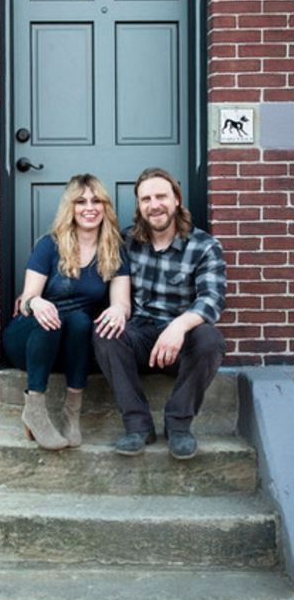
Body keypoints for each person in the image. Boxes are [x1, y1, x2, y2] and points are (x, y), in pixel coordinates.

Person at [92, 167, 226, 461]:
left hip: (181, 343)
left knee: (211, 340)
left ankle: (178, 425)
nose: (154, 205)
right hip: (139, 335)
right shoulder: (126, 242)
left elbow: (212, 300)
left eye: (161, 196)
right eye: (146, 199)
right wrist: (33, 295)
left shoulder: (204, 246)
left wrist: (178, 327)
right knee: (104, 331)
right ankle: (138, 427)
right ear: (139, 206)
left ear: (176, 199)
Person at [3, 173, 131, 451]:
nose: (89, 207)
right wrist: (34, 302)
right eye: (81, 201)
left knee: (81, 320)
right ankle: (35, 410)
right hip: (31, 338)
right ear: (70, 208)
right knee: (53, 319)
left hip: (74, 345)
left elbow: (122, 302)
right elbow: (27, 299)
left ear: (105, 206)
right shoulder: (49, 245)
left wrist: (119, 311)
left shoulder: (114, 250)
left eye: (96, 200)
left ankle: (71, 413)